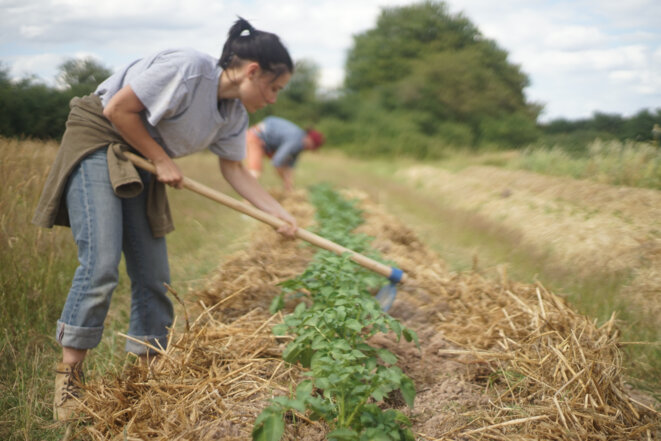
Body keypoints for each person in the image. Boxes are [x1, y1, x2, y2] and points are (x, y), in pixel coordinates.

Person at [32, 17, 298, 421]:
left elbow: (236, 171)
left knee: (155, 274)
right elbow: (117, 108)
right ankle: (69, 378)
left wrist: (279, 215)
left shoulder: (233, 115)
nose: (274, 100)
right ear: (252, 71)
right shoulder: (190, 69)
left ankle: (145, 376)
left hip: (147, 157)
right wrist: (160, 159)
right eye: (274, 88)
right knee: (102, 263)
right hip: (101, 137)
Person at [246, 116, 324, 191]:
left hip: (265, 140)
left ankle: (288, 191)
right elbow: (277, 162)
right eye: (312, 146)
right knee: (255, 171)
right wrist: (285, 179)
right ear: (310, 139)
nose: (310, 150)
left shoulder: (300, 143)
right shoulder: (296, 140)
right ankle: (247, 197)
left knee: (283, 166)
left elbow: (290, 166)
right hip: (256, 136)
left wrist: (288, 184)